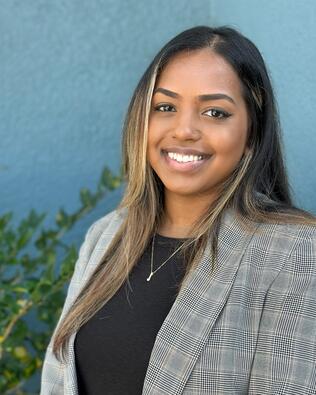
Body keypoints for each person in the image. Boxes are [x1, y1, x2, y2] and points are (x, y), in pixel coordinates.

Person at [41, 26, 316, 394]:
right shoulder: (105, 235)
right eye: (165, 107)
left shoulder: (294, 252)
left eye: (215, 112)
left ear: (251, 133)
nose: (184, 130)